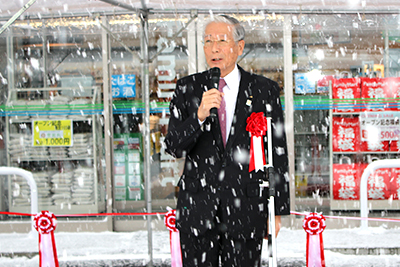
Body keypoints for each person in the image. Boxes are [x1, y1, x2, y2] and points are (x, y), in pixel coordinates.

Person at [165, 14, 290, 267]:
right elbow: (173, 146)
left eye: (222, 40)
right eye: (208, 41)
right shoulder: (187, 88)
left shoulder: (263, 90)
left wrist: (278, 210)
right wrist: (198, 117)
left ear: (239, 47)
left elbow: (277, 151)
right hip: (198, 209)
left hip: (247, 208)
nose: (214, 48)